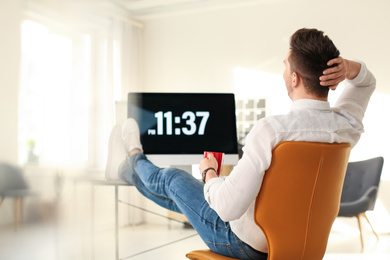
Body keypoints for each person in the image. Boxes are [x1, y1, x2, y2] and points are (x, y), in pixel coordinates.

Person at [105, 28, 376, 260]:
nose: (283, 71)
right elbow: (366, 83)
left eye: (285, 65)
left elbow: (226, 208)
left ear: (294, 78)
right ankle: (128, 164)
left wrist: (209, 172)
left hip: (245, 245)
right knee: (184, 196)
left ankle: (133, 157)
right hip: (305, 245)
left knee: (173, 180)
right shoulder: (346, 126)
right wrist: (350, 68)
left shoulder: (272, 130)